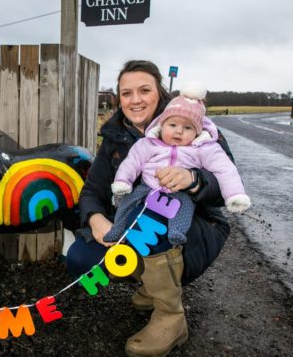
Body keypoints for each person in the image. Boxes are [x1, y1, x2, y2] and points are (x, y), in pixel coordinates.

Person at [66, 60, 236, 356]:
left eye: (144, 90)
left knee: (158, 210)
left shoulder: (193, 123)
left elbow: (228, 184)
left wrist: (194, 180)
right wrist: (95, 220)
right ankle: (150, 285)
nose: (135, 100)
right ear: (118, 98)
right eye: (126, 93)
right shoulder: (114, 137)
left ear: (160, 93)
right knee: (81, 258)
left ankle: (171, 316)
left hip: (193, 227)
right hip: (135, 219)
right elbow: (92, 190)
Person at [105, 81, 250, 246]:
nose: (179, 131)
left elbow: (225, 170)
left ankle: (177, 232)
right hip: (148, 187)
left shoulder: (204, 148)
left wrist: (234, 195)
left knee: (185, 207)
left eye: (188, 128)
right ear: (162, 125)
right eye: (172, 125)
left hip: (181, 191)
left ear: (197, 132)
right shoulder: (148, 144)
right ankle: (117, 228)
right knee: (126, 202)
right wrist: (123, 181)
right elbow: (131, 163)